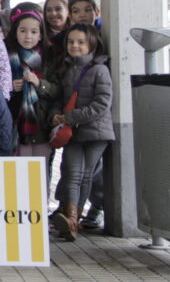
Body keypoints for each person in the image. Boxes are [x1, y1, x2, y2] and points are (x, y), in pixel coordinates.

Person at [50, 24, 113, 242]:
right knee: (71, 173)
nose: (74, 46)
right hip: (73, 132)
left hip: (96, 132)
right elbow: (60, 98)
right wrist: (55, 114)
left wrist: (70, 117)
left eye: (80, 42)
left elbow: (102, 103)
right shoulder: (65, 69)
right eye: (71, 42)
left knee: (85, 175)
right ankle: (71, 219)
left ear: (92, 44)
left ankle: (72, 221)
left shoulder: (100, 69)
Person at [5, 5, 60, 171]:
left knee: (40, 177)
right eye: (22, 30)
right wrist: (10, 87)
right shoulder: (5, 54)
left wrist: (39, 83)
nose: (28, 36)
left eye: (33, 32)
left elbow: (58, 90)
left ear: (41, 34)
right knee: (17, 177)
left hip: (41, 127)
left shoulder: (50, 57)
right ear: (15, 32)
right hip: (13, 125)